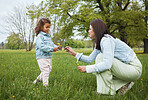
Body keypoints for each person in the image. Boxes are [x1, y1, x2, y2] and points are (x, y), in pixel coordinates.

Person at [64, 19, 142, 95]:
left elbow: (107, 64)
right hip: (126, 68)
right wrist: (74, 54)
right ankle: (122, 84)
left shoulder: (106, 40)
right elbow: (90, 59)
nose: (88, 31)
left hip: (134, 69)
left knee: (101, 58)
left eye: (90, 29)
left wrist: (88, 68)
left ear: (96, 30)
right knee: (100, 59)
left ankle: (106, 92)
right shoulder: (100, 41)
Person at [33, 18, 61, 86]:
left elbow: (51, 45)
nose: (48, 29)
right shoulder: (39, 37)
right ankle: (45, 86)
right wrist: (52, 49)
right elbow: (41, 47)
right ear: (41, 27)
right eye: (46, 27)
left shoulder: (48, 37)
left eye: (49, 27)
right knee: (45, 71)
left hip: (48, 56)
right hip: (42, 57)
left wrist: (57, 48)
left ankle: (37, 81)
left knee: (48, 70)